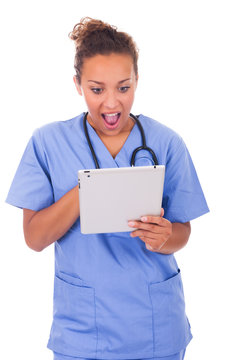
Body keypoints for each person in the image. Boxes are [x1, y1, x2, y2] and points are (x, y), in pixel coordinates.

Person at [6, 17, 209, 360]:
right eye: (97, 89)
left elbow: (182, 232)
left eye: (124, 88)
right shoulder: (47, 143)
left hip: (155, 326)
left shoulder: (166, 142)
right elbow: (34, 238)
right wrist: (88, 190)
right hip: (83, 331)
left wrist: (163, 236)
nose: (112, 103)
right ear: (78, 84)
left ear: (137, 81)